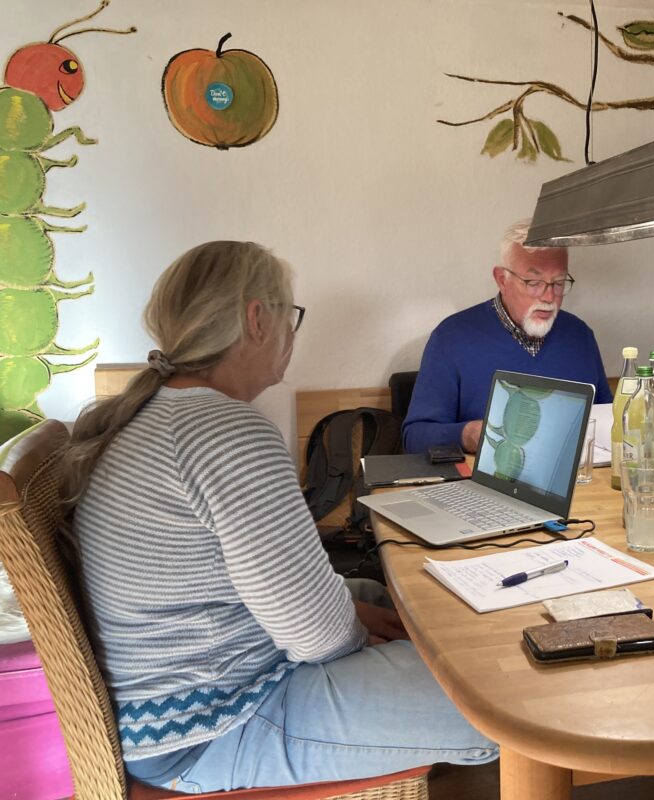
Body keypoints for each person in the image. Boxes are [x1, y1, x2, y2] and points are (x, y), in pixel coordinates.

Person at [61, 241, 497, 792]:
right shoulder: (226, 431)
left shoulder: (155, 412)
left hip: (172, 715)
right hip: (215, 725)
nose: (293, 333)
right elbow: (317, 637)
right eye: (291, 315)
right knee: (502, 698)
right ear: (257, 319)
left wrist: (355, 619)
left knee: (374, 596)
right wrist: (359, 634)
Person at [402, 219, 612, 454]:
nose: (548, 296)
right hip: (485, 483)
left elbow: (607, 421)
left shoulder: (579, 336)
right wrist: (466, 434)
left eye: (559, 283)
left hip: (577, 485)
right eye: (533, 282)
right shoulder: (452, 337)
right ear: (502, 279)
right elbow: (414, 437)